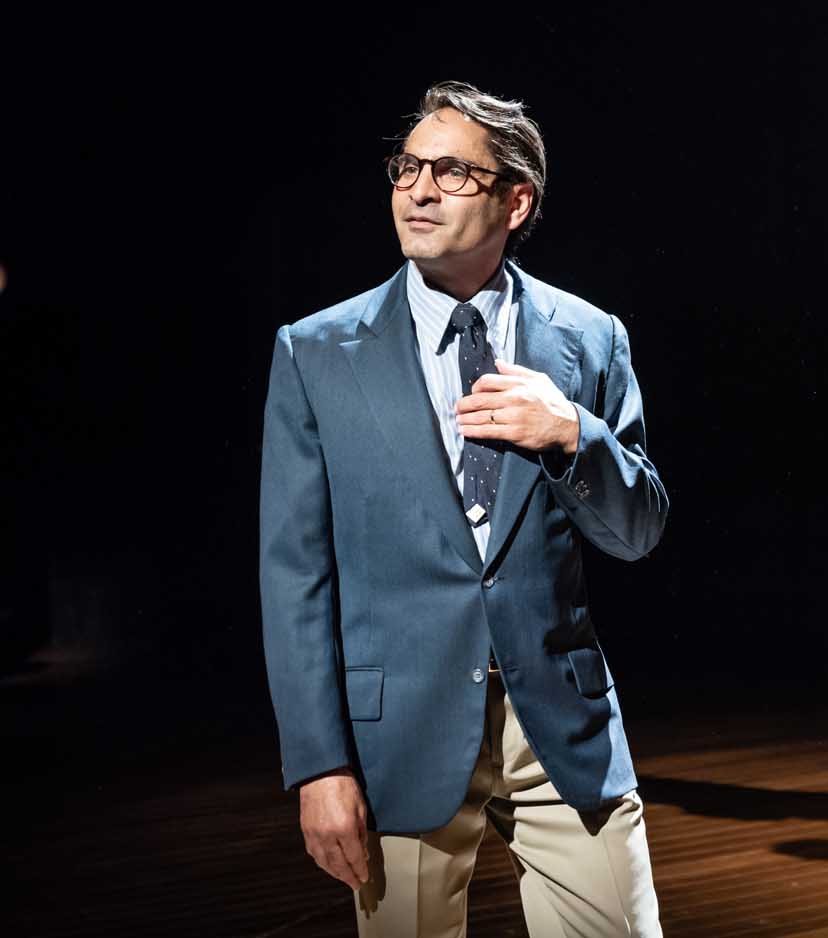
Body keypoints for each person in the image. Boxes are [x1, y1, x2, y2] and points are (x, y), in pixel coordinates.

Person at [260, 81, 668, 937]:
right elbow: (294, 574)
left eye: (451, 172)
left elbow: (636, 532)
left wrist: (573, 435)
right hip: (397, 733)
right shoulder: (317, 352)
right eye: (407, 167)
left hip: (561, 719)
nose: (417, 189)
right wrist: (318, 765)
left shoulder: (590, 338)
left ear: (517, 201)